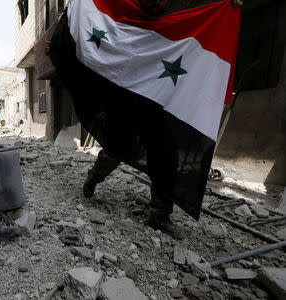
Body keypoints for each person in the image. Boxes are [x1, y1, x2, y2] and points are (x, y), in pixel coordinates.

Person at [47, 0, 243, 240]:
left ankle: (159, 216)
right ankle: (93, 178)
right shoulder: (123, 7)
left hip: (156, 99)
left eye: (165, 2)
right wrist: (69, 19)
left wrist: (229, 5)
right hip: (124, 97)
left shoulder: (168, 20)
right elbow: (89, 10)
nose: (162, 5)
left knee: (165, 155)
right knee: (115, 149)